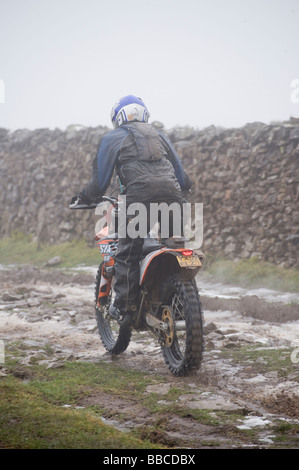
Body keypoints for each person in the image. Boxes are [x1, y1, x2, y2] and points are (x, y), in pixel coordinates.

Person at [73, 95, 192, 326]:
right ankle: (176, 297)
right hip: (174, 199)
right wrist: (181, 191)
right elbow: (182, 178)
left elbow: (99, 183)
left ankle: (126, 308)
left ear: (118, 118)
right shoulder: (161, 136)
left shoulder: (112, 138)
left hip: (137, 201)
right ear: (145, 115)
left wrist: (85, 197)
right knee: (175, 245)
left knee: (128, 253)